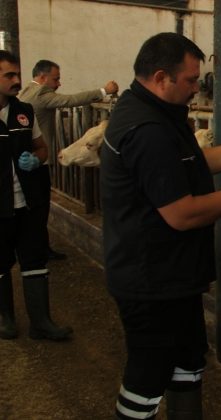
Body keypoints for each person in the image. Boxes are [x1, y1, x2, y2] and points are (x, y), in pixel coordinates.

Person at [100, 33, 221, 420]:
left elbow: (193, 163)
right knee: (147, 376)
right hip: (149, 279)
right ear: (162, 77)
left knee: (188, 359)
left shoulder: (157, 113)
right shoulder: (147, 130)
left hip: (171, 273)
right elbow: (182, 213)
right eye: (192, 80)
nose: (198, 89)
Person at [0, 50, 73, 341]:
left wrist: (37, 158)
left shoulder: (24, 111)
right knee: (1, 262)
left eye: (17, 74)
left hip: (28, 202)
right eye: (9, 75)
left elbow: (41, 147)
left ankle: (41, 322)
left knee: (34, 261)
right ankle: (5, 319)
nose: (18, 80)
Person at [19, 59, 119, 260]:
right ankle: (39, 251)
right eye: (56, 79)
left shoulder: (25, 91)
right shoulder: (41, 93)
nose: (58, 84)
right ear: (42, 77)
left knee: (33, 207)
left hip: (27, 158)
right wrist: (103, 91)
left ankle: (38, 247)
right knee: (40, 207)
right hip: (38, 160)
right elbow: (70, 100)